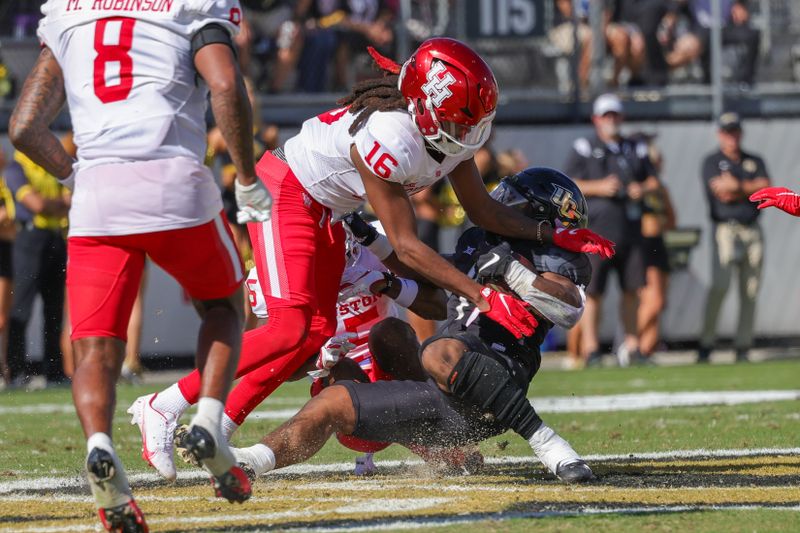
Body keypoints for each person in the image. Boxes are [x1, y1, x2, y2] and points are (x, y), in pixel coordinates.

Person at [130, 38, 615, 484]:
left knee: (310, 337)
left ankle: (218, 426)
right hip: (291, 192)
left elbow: (483, 210)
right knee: (288, 328)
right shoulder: (389, 136)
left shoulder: (441, 135)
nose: (465, 134)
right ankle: (164, 404)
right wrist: (480, 294)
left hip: (326, 209)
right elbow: (406, 247)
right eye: (454, 123)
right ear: (423, 110)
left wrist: (549, 232)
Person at [9, 0, 274, 530]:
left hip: (98, 196)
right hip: (175, 182)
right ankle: (206, 422)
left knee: (94, 344)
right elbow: (225, 86)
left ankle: (101, 445)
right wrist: (246, 178)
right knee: (224, 306)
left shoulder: (69, 12)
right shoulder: (191, 6)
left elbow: (23, 128)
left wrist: (74, 178)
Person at [229, 167, 595, 485]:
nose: (500, 200)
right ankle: (253, 461)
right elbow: (432, 274)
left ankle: (547, 442)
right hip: (445, 397)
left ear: (541, 213)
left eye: (512, 197)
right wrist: (372, 243)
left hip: (497, 380)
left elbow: (568, 308)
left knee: (437, 350)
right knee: (341, 392)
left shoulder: (554, 256)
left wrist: (512, 269)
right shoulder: (479, 243)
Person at [171, 214, 447, 475]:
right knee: (342, 368)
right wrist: (318, 362)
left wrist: (388, 283)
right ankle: (236, 444)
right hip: (347, 401)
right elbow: (281, 364)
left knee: (390, 332)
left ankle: (437, 437)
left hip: (401, 384)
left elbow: (438, 305)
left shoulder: (377, 243)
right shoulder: (279, 273)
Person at [564, 93, 658, 367]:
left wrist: (642, 189)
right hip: (597, 232)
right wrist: (600, 187)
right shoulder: (584, 146)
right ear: (596, 119)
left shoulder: (634, 147)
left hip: (630, 230)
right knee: (594, 292)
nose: (611, 121)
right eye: (606, 116)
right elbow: (568, 182)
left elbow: (653, 180)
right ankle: (591, 349)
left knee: (632, 290)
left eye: (615, 115)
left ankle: (631, 346)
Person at [698, 112, 770, 363]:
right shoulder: (712, 161)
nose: (732, 136)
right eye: (727, 131)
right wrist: (750, 187)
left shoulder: (754, 160)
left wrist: (738, 187)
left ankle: (743, 346)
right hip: (725, 230)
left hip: (752, 228)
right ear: (720, 134)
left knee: (750, 290)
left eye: (735, 131)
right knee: (720, 285)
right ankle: (707, 343)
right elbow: (721, 193)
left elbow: (767, 188)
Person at [4, 149, 69, 386]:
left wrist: (50, 204)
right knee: (21, 308)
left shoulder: (51, 168)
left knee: (54, 311)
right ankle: (17, 371)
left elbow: (69, 200)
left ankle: (54, 370)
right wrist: (55, 204)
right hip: (28, 240)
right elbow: (36, 203)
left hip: (55, 239)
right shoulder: (16, 169)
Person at [0, 146, 15, 386]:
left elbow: (9, 221)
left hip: (3, 250)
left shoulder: (5, 183)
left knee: (2, 318)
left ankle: (2, 367)